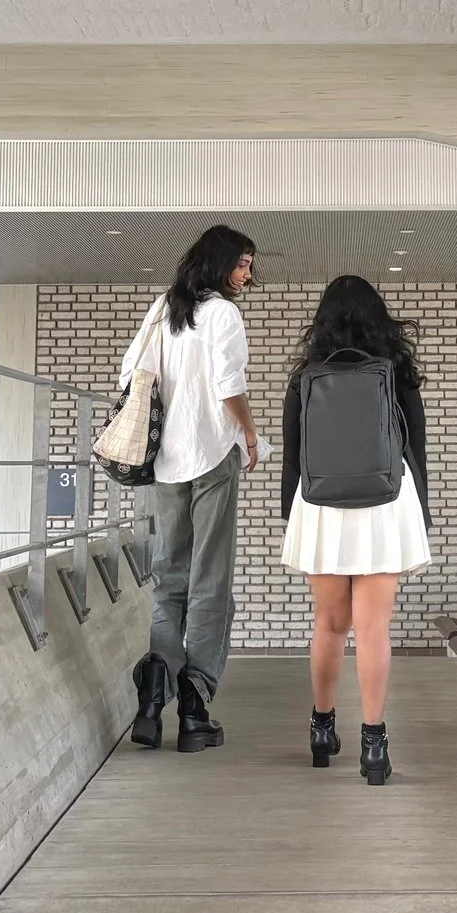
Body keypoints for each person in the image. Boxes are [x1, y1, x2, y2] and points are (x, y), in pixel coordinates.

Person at [280, 276, 432, 786]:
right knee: (374, 627)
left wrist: (292, 517)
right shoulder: (395, 373)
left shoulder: (306, 377)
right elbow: (416, 448)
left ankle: (322, 730)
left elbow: (293, 459)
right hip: (386, 503)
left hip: (320, 504)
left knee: (328, 623)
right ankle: (374, 745)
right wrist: (423, 512)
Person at [123, 224, 259, 752]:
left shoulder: (165, 309)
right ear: (220, 262)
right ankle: (196, 706)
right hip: (211, 459)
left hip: (166, 462)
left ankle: (153, 695)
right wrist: (248, 431)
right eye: (243, 264)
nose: (248, 274)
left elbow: (129, 372)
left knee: (169, 580)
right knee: (210, 583)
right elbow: (230, 387)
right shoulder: (223, 314)